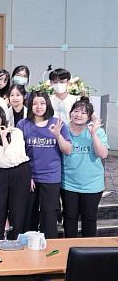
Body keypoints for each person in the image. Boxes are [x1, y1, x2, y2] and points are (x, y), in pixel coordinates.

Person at [18, 91, 72, 240]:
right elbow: (18, 153)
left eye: (42, 103)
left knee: (49, 216)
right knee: (29, 215)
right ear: (30, 105)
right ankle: (28, 246)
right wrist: (27, 176)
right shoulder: (23, 124)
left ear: (47, 104)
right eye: (35, 103)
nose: (39, 106)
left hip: (51, 177)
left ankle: (51, 249)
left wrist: (58, 136)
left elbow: (68, 150)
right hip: (30, 177)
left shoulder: (57, 123)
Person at [61, 98, 109, 238]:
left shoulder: (97, 131)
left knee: (89, 219)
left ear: (89, 117)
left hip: (92, 185)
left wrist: (93, 133)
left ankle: (88, 251)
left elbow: (103, 154)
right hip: (69, 183)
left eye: (83, 113)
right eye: (76, 111)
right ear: (70, 113)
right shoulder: (63, 129)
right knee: (70, 218)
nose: (78, 115)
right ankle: (69, 248)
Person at [0, 104, 30, 240]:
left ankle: (15, 245)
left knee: (17, 214)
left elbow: (12, 157)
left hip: (19, 172)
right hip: (1, 174)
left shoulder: (15, 132)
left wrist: (3, 138)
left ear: (3, 118)